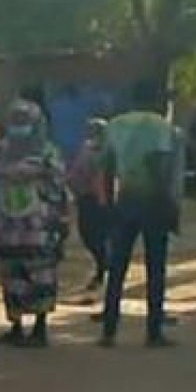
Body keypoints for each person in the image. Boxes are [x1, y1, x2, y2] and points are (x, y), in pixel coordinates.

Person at [99, 81, 180, 348]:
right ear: (156, 100)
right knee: (155, 267)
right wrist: (169, 202)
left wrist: (108, 203)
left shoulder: (115, 125)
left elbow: (107, 168)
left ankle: (109, 328)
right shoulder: (161, 126)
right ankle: (153, 330)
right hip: (153, 200)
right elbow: (159, 164)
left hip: (125, 199)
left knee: (118, 266)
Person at [0, 99, 69, 348]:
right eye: (15, 122)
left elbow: (58, 182)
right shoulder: (1, 150)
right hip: (8, 225)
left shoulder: (48, 152)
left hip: (38, 226)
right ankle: (16, 326)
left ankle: (40, 327)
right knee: (12, 274)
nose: (18, 127)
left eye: (24, 122)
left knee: (40, 273)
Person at [67, 118, 112, 291]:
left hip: (102, 199)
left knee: (98, 236)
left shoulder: (108, 151)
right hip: (86, 199)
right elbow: (76, 172)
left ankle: (102, 270)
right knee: (88, 235)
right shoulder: (86, 150)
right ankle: (103, 265)